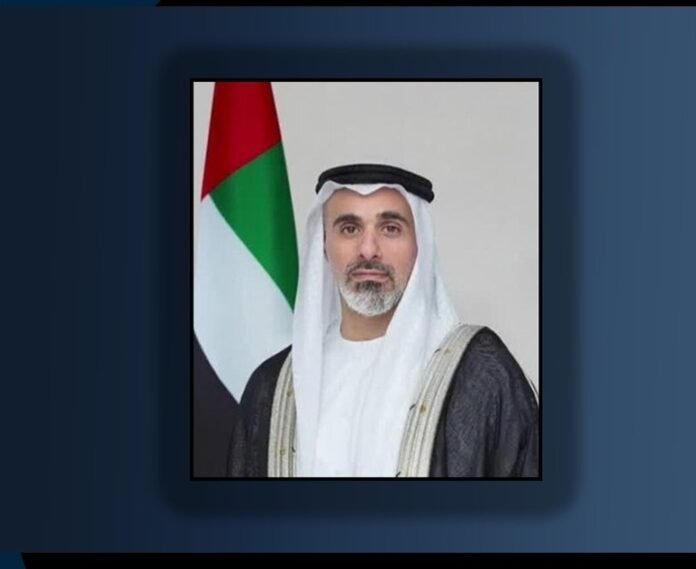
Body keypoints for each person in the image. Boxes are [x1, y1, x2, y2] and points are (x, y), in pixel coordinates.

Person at [228, 163, 539, 478]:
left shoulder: (479, 373)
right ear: (323, 245)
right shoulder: (272, 387)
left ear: (420, 244)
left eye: (390, 228)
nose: (368, 250)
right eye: (349, 229)